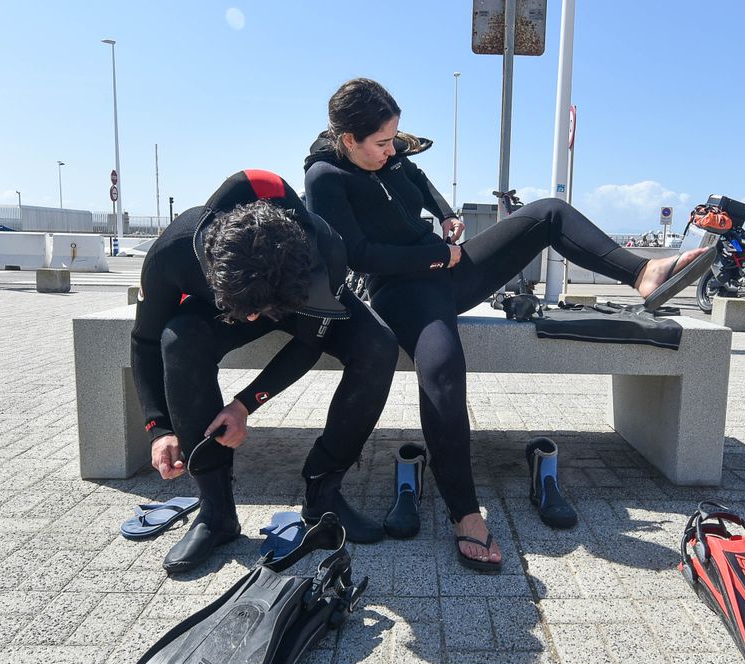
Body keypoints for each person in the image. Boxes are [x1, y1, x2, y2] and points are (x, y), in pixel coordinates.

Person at [303, 78, 708, 573]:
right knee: (446, 372)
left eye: (395, 139)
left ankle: (643, 273)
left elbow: (415, 177)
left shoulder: (392, 156)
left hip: (445, 270)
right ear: (349, 140)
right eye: (382, 143)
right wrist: (436, 254)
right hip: (400, 290)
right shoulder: (326, 177)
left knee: (548, 214)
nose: (391, 151)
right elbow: (358, 255)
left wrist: (446, 214)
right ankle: (465, 512)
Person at [133, 169, 400, 572]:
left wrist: (243, 406)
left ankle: (323, 493)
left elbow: (310, 343)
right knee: (178, 337)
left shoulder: (325, 250)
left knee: (379, 346)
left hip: (299, 298)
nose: (258, 318)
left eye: (262, 311)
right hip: (228, 298)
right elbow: (147, 340)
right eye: (252, 312)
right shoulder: (174, 251)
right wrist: (159, 428)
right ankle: (216, 512)